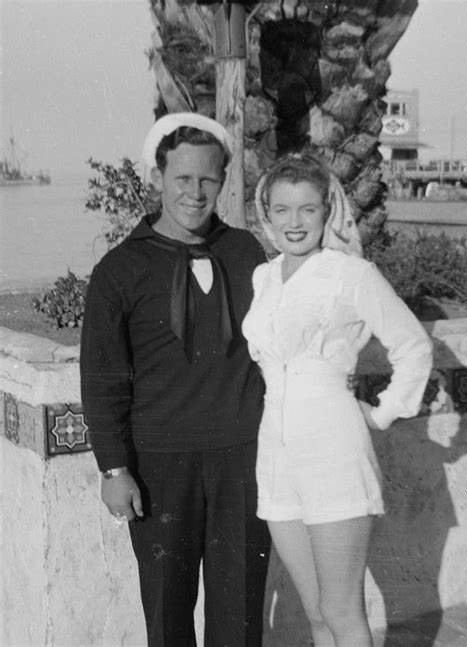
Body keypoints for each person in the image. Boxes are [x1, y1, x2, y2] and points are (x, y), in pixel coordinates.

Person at [80, 112, 271, 647]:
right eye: (183, 178)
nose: (195, 191)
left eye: (208, 179)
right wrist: (113, 468)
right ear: (158, 178)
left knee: (240, 613)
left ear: (224, 181)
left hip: (243, 458)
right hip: (159, 464)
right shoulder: (120, 269)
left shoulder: (246, 252)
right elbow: (102, 377)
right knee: (167, 612)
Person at [242, 152, 433, 647]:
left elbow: (413, 345)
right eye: (282, 209)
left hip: (334, 453)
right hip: (276, 456)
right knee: (315, 612)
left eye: (307, 209)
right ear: (267, 213)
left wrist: (385, 411)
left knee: (341, 608)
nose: (294, 222)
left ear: (327, 211)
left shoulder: (351, 273)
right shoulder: (263, 278)